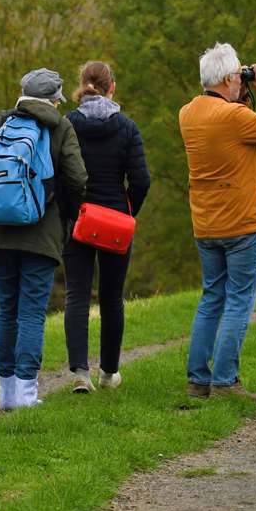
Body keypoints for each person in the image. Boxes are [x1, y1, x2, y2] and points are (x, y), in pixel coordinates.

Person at [0, 68, 87, 408]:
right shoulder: (60, 127)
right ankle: (26, 394)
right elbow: (76, 179)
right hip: (40, 235)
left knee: (6, 310)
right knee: (31, 312)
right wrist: (66, 214)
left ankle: (5, 393)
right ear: (54, 99)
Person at [179, 43, 256, 402]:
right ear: (230, 77)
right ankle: (226, 381)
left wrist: (240, 92)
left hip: (206, 222)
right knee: (240, 299)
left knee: (212, 296)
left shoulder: (188, 112)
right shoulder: (233, 118)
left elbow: (230, 127)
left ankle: (198, 380)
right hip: (242, 222)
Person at [63, 61, 151, 393]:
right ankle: (108, 373)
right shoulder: (127, 128)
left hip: (78, 218)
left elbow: (61, 173)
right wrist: (128, 211)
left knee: (76, 295)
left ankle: (80, 374)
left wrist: (72, 208)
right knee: (112, 298)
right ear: (112, 87)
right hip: (115, 219)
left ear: (82, 85)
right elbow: (141, 180)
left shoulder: (68, 125)